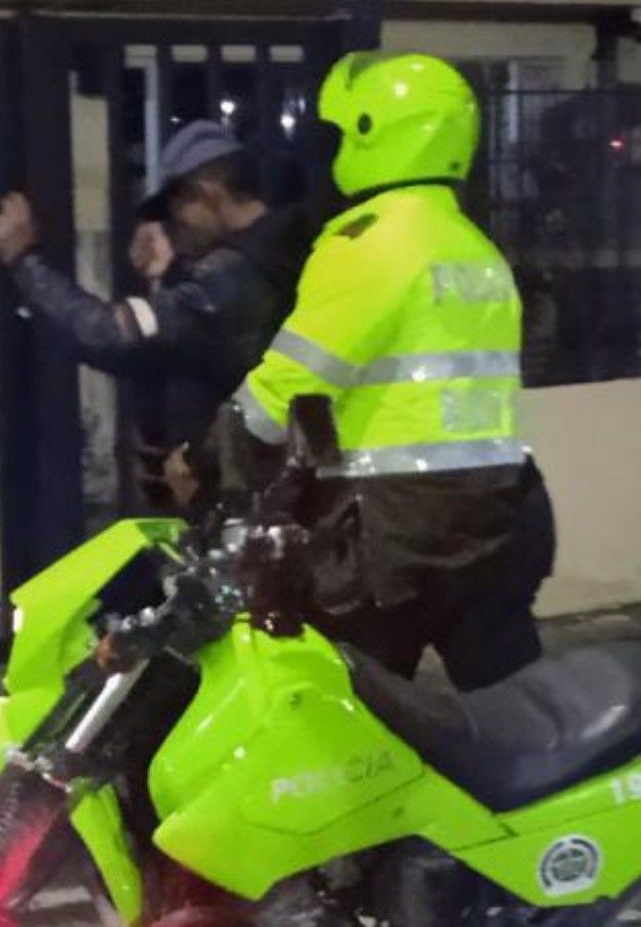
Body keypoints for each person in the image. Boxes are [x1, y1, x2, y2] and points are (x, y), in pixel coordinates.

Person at [231, 52, 556, 691]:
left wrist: (212, 452)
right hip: (495, 517)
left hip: (392, 534)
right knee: (520, 713)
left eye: (339, 133)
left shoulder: (369, 243)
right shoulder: (477, 249)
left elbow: (290, 385)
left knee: (347, 711)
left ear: (372, 131)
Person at [0, 121, 310, 508]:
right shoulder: (280, 256)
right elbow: (178, 352)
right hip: (272, 489)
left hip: (247, 500)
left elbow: (109, 335)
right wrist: (171, 274)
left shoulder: (229, 281)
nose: (173, 227)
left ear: (208, 193)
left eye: (176, 211)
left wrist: (24, 263)